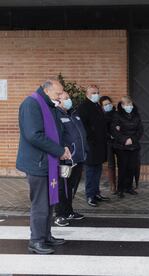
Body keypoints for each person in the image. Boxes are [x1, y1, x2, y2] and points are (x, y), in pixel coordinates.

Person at [16, 78, 72, 254]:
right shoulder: (31, 104)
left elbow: (57, 131)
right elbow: (34, 135)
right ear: (47, 90)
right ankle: (36, 241)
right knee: (40, 203)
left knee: (49, 202)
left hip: (49, 161)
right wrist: (59, 151)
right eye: (58, 93)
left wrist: (64, 148)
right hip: (38, 163)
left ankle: (46, 235)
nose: (61, 96)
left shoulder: (49, 105)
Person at [54, 91, 88, 226]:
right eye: (66, 98)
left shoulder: (74, 114)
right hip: (66, 160)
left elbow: (81, 134)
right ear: (58, 100)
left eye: (69, 97)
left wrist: (86, 150)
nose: (69, 100)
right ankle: (59, 214)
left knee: (72, 186)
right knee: (62, 187)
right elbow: (56, 136)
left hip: (78, 158)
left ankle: (69, 211)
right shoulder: (56, 114)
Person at [77, 85, 109, 207]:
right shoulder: (83, 107)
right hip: (91, 145)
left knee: (98, 170)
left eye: (97, 92)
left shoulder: (97, 106)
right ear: (87, 94)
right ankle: (90, 195)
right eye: (93, 92)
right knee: (90, 171)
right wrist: (91, 139)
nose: (96, 94)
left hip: (99, 145)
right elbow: (83, 127)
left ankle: (96, 193)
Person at [111, 96, 144, 198]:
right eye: (126, 104)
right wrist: (125, 140)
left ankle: (129, 187)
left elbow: (140, 130)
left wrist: (132, 140)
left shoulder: (136, 115)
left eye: (130, 104)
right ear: (122, 105)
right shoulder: (117, 115)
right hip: (121, 147)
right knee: (122, 168)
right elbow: (114, 130)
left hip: (134, 146)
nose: (129, 106)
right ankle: (120, 189)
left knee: (132, 168)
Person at [99, 96, 117, 194]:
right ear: (102, 107)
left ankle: (124, 184)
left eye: (109, 103)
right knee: (111, 164)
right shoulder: (101, 116)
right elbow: (102, 130)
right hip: (109, 142)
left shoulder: (117, 114)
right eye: (105, 105)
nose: (108, 106)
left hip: (119, 141)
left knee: (123, 164)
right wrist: (110, 136)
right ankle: (112, 185)